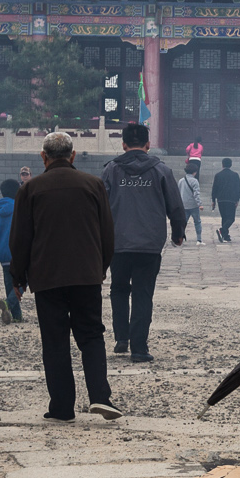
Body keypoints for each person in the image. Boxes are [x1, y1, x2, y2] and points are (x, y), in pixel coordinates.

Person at [11, 130, 120, 422]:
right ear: (72, 156)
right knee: (91, 334)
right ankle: (100, 396)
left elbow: (20, 238)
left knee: (55, 340)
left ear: (43, 157)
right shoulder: (93, 184)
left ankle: (61, 407)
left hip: (47, 276)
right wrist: (101, 267)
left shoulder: (30, 190)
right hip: (86, 274)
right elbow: (107, 233)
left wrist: (18, 277)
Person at [103, 123, 188, 363]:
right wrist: (178, 232)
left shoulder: (111, 170)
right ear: (148, 145)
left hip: (118, 243)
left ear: (123, 145)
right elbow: (175, 205)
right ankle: (139, 348)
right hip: (149, 244)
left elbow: (100, 205)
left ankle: (122, 336)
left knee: (118, 289)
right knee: (143, 294)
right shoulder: (161, 170)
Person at [0, 177, 23, 323]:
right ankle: (8, 303)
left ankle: (17, 316)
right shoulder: (21, 210)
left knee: (10, 285)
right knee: (23, 282)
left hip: (3, 257)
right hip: (18, 255)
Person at [211, 157, 240, 242]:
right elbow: (238, 188)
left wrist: (213, 200)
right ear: (231, 165)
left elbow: (214, 188)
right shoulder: (235, 175)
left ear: (222, 165)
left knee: (224, 217)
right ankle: (222, 230)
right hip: (231, 199)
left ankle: (225, 236)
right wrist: (237, 199)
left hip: (220, 199)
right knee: (231, 218)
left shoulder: (218, 175)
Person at [180, 159, 204, 245]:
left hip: (184, 205)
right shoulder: (194, 181)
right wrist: (199, 204)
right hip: (193, 205)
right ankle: (199, 239)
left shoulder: (181, 181)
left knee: (183, 223)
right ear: (194, 172)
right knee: (197, 222)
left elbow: (178, 193)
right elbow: (196, 194)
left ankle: (180, 238)